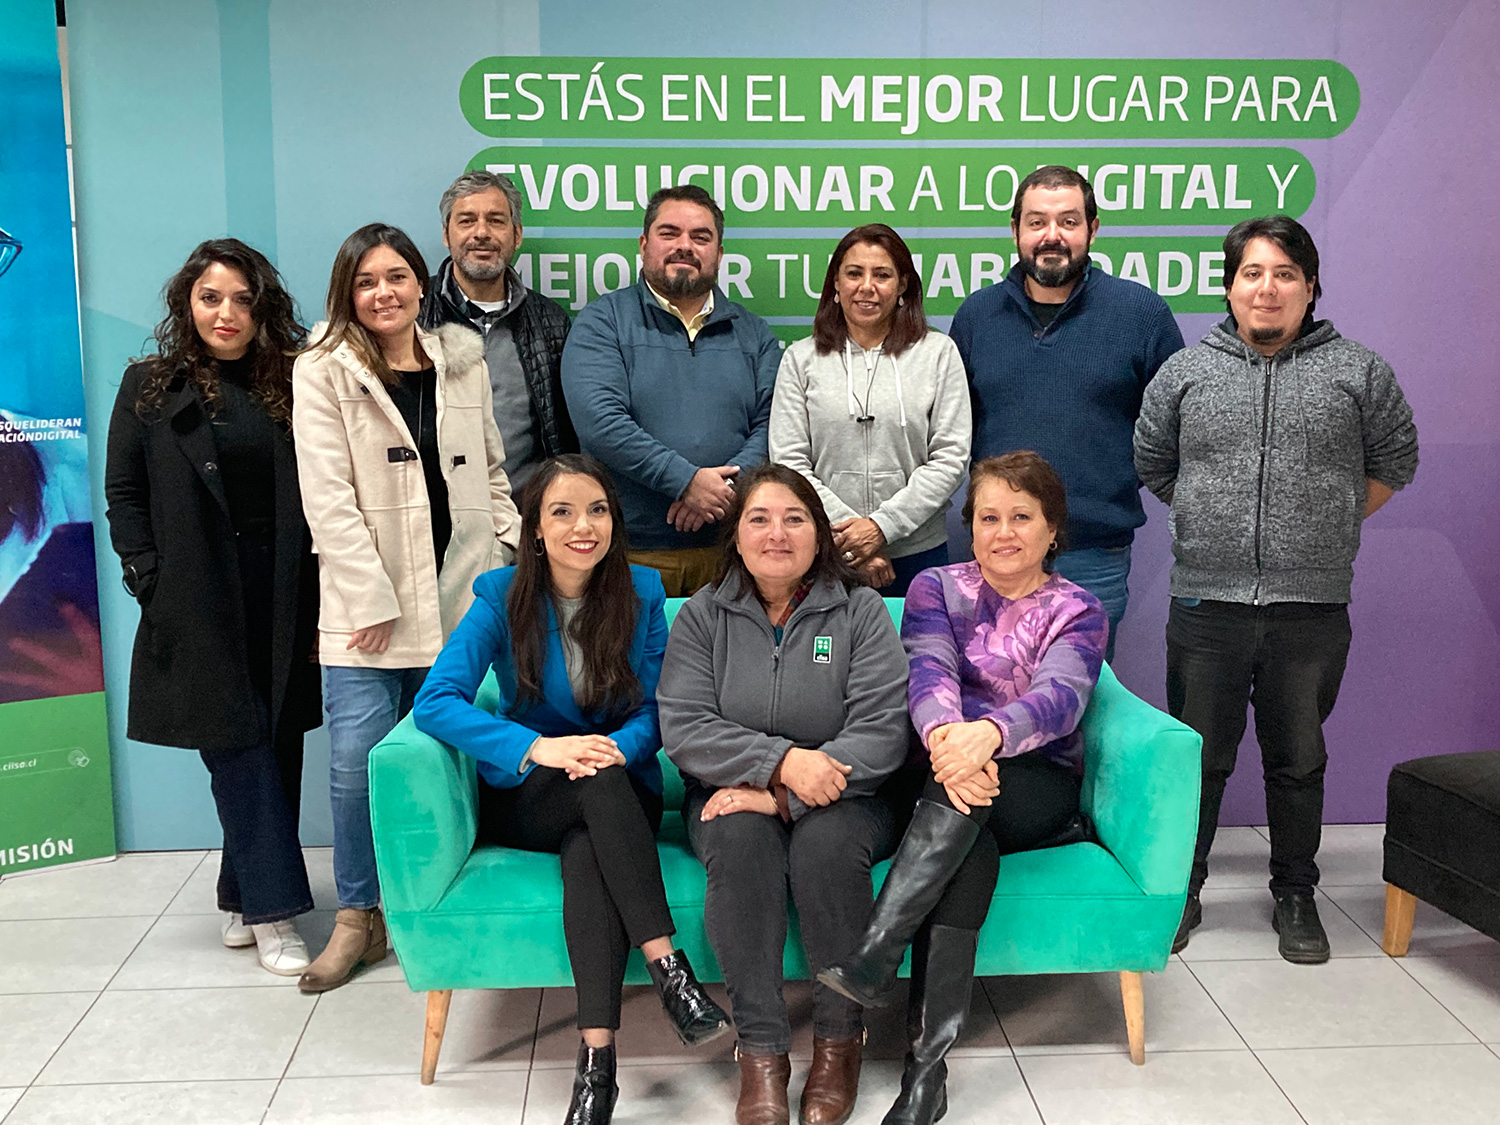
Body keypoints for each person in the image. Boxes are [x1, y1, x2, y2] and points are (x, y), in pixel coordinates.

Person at [1134, 216, 1419, 964]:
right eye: (1252, 273)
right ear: (1229, 287)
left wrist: (1327, 520)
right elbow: (1154, 461)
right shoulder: (1186, 373)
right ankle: (1182, 888)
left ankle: (1295, 893)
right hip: (1207, 604)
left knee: (1297, 759)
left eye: (1285, 273)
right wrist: (1213, 517)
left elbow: (1395, 459)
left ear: (1310, 287)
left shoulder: (1358, 372)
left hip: (1310, 606)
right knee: (1199, 760)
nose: (1268, 288)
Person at [413, 454, 728, 1125]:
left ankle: (597, 1066)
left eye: (597, 510)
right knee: (592, 791)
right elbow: (436, 701)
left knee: (591, 844)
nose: (583, 526)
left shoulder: (641, 592)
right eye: (562, 512)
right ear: (534, 527)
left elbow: (658, 707)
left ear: (614, 521)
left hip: (617, 790)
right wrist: (538, 748)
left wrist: (616, 748)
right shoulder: (500, 596)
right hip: (529, 792)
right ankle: (669, 969)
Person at [820, 452, 1108, 1125]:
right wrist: (954, 742)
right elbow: (928, 673)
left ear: (1052, 529)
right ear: (970, 526)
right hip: (944, 763)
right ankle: (926, 1072)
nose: (1003, 532)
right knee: (967, 840)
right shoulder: (936, 588)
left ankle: (877, 953)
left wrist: (989, 736)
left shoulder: (1079, 608)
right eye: (988, 517)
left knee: (960, 802)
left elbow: (1061, 698)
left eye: (1021, 517)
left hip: (1036, 777)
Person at [292, 223, 521, 992]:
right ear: (346, 293)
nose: (383, 292)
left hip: (460, 598)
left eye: (396, 277)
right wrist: (372, 596)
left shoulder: (461, 359)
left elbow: (491, 471)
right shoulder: (323, 368)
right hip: (368, 612)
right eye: (365, 281)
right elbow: (326, 498)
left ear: (423, 284)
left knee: (454, 758)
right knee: (358, 767)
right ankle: (359, 917)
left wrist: (506, 553)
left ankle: (440, 906)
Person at [658, 463, 910, 1125]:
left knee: (827, 846)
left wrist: (783, 797)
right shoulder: (702, 616)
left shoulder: (860, 611)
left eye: (795, 519)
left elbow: (883, 732)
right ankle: (762, 1051)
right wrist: (783, 762)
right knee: (739, 840)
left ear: (818, 534)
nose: (778, 534)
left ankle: (839, 1042)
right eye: (760, 519)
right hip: (728, 793)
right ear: (736, 536)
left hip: (853, 795)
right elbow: (686, 727)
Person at [105, 239, 320, 975]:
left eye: (242, 299)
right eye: (210, 298)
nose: (226, 313)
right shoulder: (149, 385)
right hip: (196, 595)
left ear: (263, 307)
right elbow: (124, 491)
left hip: (284, 589)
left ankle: (239, 890)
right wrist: (149, 577)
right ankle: (275, 912)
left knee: (276, 740)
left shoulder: (293, 380)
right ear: (187, 304)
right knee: (238, 746)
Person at [950, 166, 1184, 659]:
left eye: (1068, 221)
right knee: (991, 688)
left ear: (1092, 229)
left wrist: (1111, 486)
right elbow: (954, 432)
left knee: (1079, 694)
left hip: (1093, 555)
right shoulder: (976, 317)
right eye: (1037, 222)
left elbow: (1175, 431)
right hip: (998, 550)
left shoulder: (1142, 315)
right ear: (1015, 230)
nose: (1051, 236)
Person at [561, 184, 780, 597]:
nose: (685, 246)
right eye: (669, 233)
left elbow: (774, 423)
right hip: (628, 553)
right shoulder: (602, 322)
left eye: (701, 237)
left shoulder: (754, 333)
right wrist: (684, 481)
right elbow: (600, 422)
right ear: (644, 245)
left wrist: (721, 492)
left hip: (732, 550)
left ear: (719, 253)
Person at [770, 224, 970, 596]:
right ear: (835, 283)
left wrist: (881, 528)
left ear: (903, 285)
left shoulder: (938, 354)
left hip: (918, 552)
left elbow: (951, 457)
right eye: (854, 273)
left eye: (882, 275)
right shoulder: (800, 359)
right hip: (826, 551)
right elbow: (789, 460)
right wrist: (851, 537)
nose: (867, 286)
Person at [418, 169, 576, 493]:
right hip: (437, 510)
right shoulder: (414, 314)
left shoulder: (551, 323)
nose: (481, 233)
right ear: (446, 234)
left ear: (517, 235)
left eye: (496, 220)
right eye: (467, 221)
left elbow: (567, 432)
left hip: (526, 512)